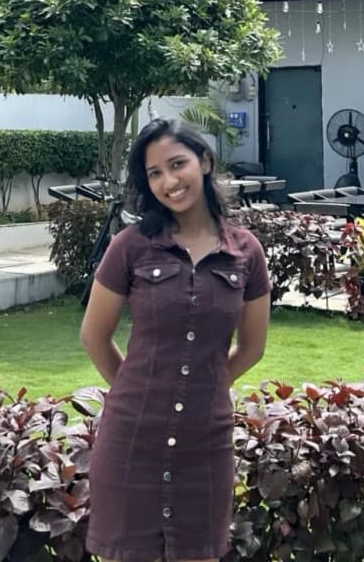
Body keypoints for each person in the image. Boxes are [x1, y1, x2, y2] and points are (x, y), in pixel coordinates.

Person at [80, 117, 271, 562]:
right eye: (155, 173)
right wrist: (136, 388)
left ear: (204, 161)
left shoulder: (245, 252)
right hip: (131, 442)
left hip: (205, 445)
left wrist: (208, 384)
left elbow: (253, 346)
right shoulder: (130, 246)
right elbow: (94, 335)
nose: (169, 181)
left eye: (177, 164)